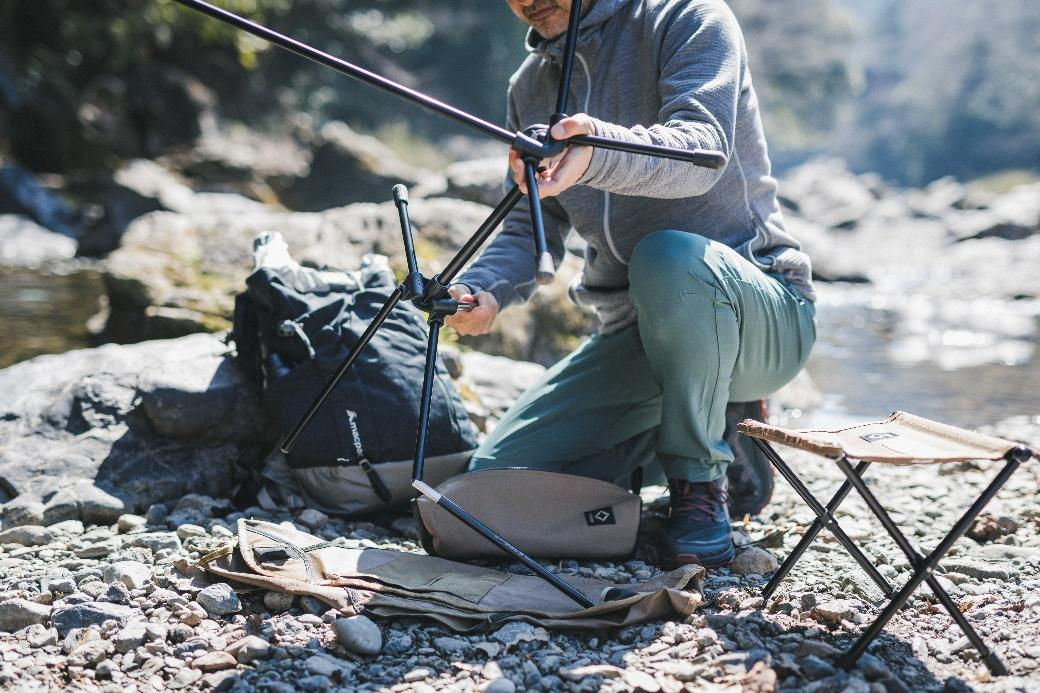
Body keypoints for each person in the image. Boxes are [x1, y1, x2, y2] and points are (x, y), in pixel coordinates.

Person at [445, 0, 817, 568]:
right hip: (637, 336)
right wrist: (485, 290)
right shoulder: (530, 87)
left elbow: (702, 150)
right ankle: (723, 428)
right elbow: (528, 221)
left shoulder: (688, 18)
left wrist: (595, 150)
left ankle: (699, 480)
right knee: (491, 489)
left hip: (761, 312)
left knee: (666, 255)